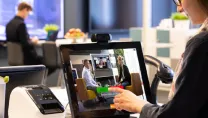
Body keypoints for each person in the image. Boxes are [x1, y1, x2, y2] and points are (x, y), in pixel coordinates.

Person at [109, 0, 208, 118]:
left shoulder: (202, 44)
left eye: (179, 0)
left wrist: (139, 105)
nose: (179, 9)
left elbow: (175, 114)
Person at [6, 2, 55, 75]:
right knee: (51, 63)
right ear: (25, 10)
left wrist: (29, 40)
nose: (27, 16)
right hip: (27, 59)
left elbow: (18, 40)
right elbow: (25, 45)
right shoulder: (21, 24)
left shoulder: (9, 24)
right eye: (28, 13)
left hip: (15, 58)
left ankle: (35, 80)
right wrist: (33, 42)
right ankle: (38, 80)